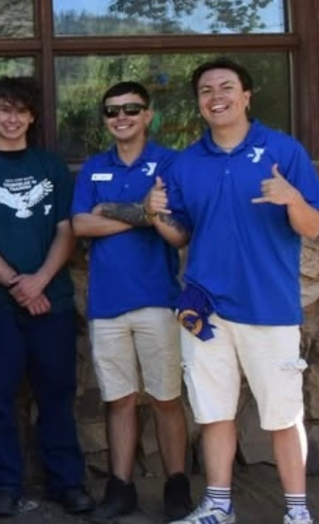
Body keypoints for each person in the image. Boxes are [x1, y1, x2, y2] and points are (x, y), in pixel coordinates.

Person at [146, 59, 319, 524]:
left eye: (226, 87)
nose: (216, 96)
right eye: (206, 90)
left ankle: (297, 512)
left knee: (284, 415)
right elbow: (180, 235)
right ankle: (219, 506)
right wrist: (154, 213)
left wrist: (293, 199)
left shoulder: (284, 151)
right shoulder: (186, 163)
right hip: (207, 309)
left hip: (269, 306)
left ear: (246, 95)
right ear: (199, 103)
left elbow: (314, 226)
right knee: (213, 412)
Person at [0, 77, 93, 517]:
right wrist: (17, 284)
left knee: (57, 395)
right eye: (4, 109)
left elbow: (66, 231)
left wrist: (39, 281)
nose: (12, 119)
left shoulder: (50, 166)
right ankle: (2, 484)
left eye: (20, 111)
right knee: (0, 397)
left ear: (32, 117)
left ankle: (67, 482)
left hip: (53, 300)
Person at [70, 81, 191, 521]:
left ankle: (177, 487)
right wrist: (141, 213)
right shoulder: (94, 167)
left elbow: (178, 231)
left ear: (147, 115)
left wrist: (110, 210)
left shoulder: (170, 163)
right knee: (118, 399)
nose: (121, 117)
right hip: (106, 304)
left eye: (131, 109)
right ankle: (120, 489)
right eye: (112, 110)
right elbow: (81, 225)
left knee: (165, 399)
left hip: (157, 300)